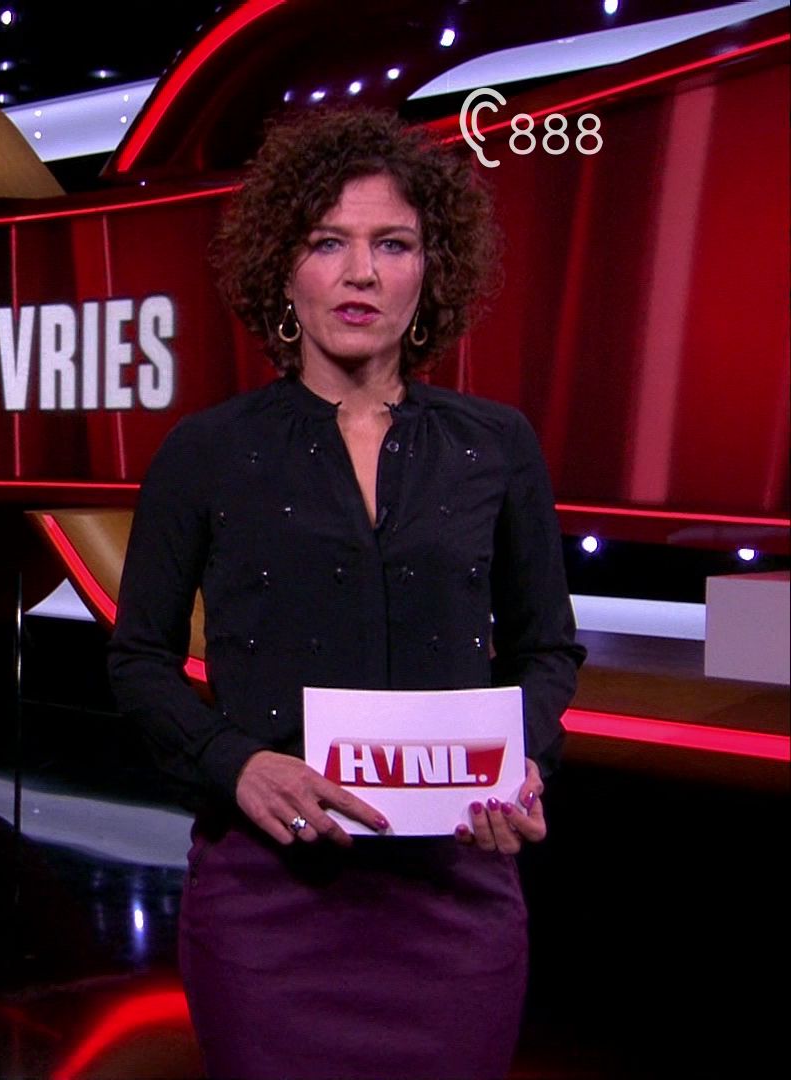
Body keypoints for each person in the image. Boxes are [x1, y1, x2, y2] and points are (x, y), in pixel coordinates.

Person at [108, 106, 586, 1079]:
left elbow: (548, 650)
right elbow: (139, 660)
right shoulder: (206, 452)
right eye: (329, 242)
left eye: (392, 244)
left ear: (430, 270)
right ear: (284, 269)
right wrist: (237, 764)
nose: (361, 272)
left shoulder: (497, 446)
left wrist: (524, 762)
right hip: (269, 901)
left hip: (455, 897)